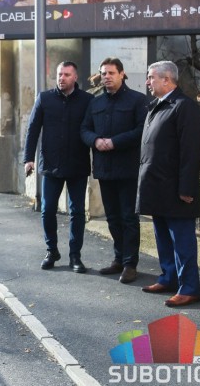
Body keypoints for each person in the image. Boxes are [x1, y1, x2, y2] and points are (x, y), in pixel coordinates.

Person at [138, 61, 200, 308]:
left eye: (151, 77)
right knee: (163, 238)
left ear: (166, 79)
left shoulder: (185, 107)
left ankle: (189, 288)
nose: (148, 82)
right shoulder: (157, 106)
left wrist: (186, 188)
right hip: (156, 186)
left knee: (182, 241)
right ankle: (169, 278)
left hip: (176, 189)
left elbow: (192, 151)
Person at [81, 57, 149, 284]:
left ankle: (130, 264)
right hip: (104, 169)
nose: (106, 77)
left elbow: (142, 130)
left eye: (111, 73)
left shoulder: (137, 100)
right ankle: (119, 259)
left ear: (121, 74)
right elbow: (84, 129)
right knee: (112, 218)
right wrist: (95, 140)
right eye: (103, 73)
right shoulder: (96, 102)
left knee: (129, 217)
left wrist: (114, 142)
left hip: (128, 169)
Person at [23, 61, 93, 273]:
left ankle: (75, 256)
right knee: (47, 209)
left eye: (66, 75)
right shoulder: (44, 98)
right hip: (51, 164)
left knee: (77, 212)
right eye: (59, 74)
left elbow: (92, 129)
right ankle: (51, 251)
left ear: (75, 77)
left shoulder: (87, 100)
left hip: (77, 164)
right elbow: (33, 129)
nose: (62, 78)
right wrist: (28, 158)